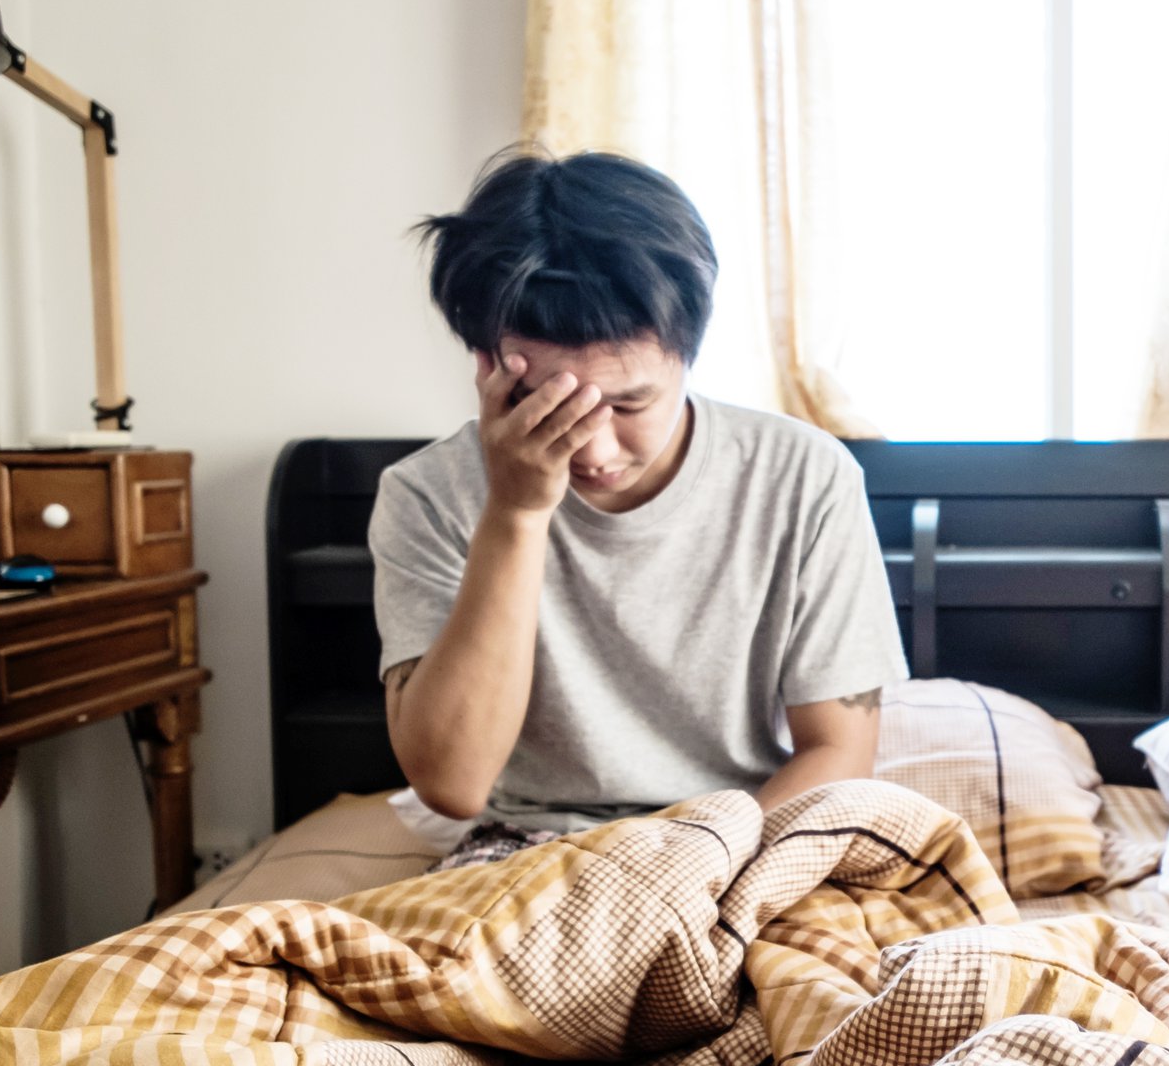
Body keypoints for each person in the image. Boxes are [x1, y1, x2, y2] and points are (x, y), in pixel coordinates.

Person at [369, 148, 907, 860]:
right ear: (487, 365)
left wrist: (688, 868)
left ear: (688, 356)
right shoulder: (429, 496)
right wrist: (516, 513)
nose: (592, 449)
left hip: (749, 835)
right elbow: (454, 784)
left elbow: (838, 753)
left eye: (628, 402)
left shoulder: (804, 477)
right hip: (527, 850)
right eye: (547, 405)